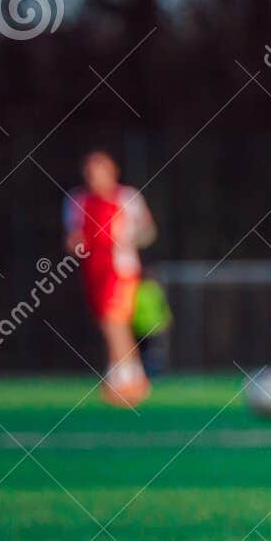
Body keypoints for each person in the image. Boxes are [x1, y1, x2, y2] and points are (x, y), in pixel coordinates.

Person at [64, 150, 157, 407]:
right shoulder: (76, 200)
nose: (95, 178)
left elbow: (147, 231)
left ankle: (132, 379)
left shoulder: (128, 198)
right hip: (93, 272)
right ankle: (120, 376)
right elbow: (74, 234)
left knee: (114, 321)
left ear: (113, 171)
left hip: (121, 270)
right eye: (91, 173)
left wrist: (127, 239)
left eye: (100, 171)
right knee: (109, 324)